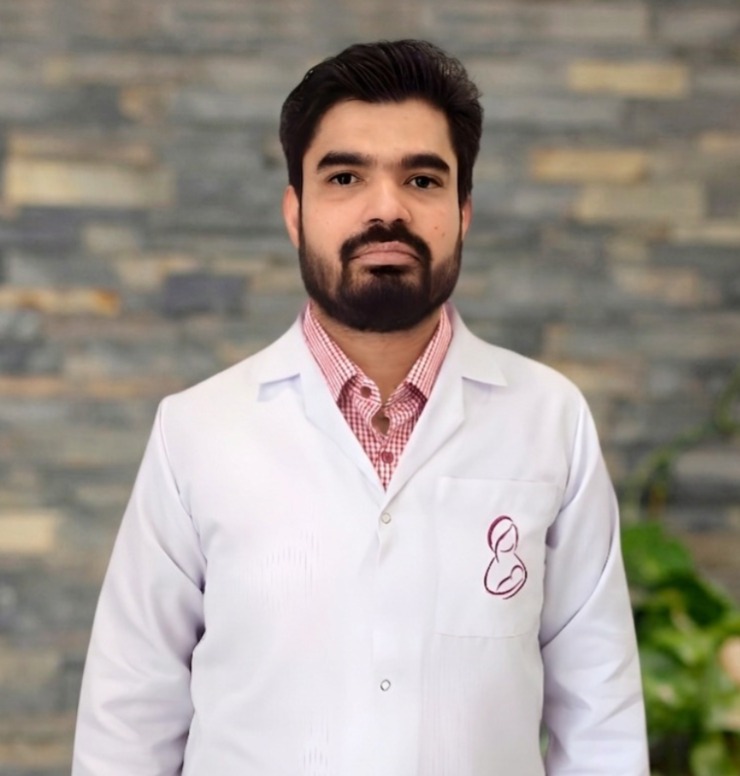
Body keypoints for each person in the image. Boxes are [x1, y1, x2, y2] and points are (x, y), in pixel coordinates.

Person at [72, 39, 649, 775]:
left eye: (422, 179)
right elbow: (127, 721)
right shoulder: (196, 432)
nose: (387, 209)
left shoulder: (549, 421)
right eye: (345, 177)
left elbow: (600, 720)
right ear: (296, 212)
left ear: (463, 212)